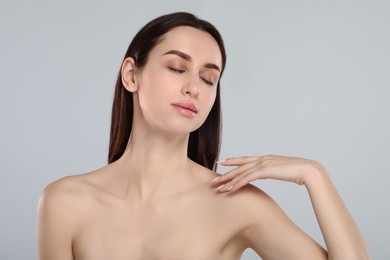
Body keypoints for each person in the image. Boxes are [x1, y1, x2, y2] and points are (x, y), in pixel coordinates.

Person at [37, 12, 370, 260]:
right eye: (177, 68)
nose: (193, 88)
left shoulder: (237, 204)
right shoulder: (64, 202)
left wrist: (314, 175)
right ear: (131, 75)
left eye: (209, 78)